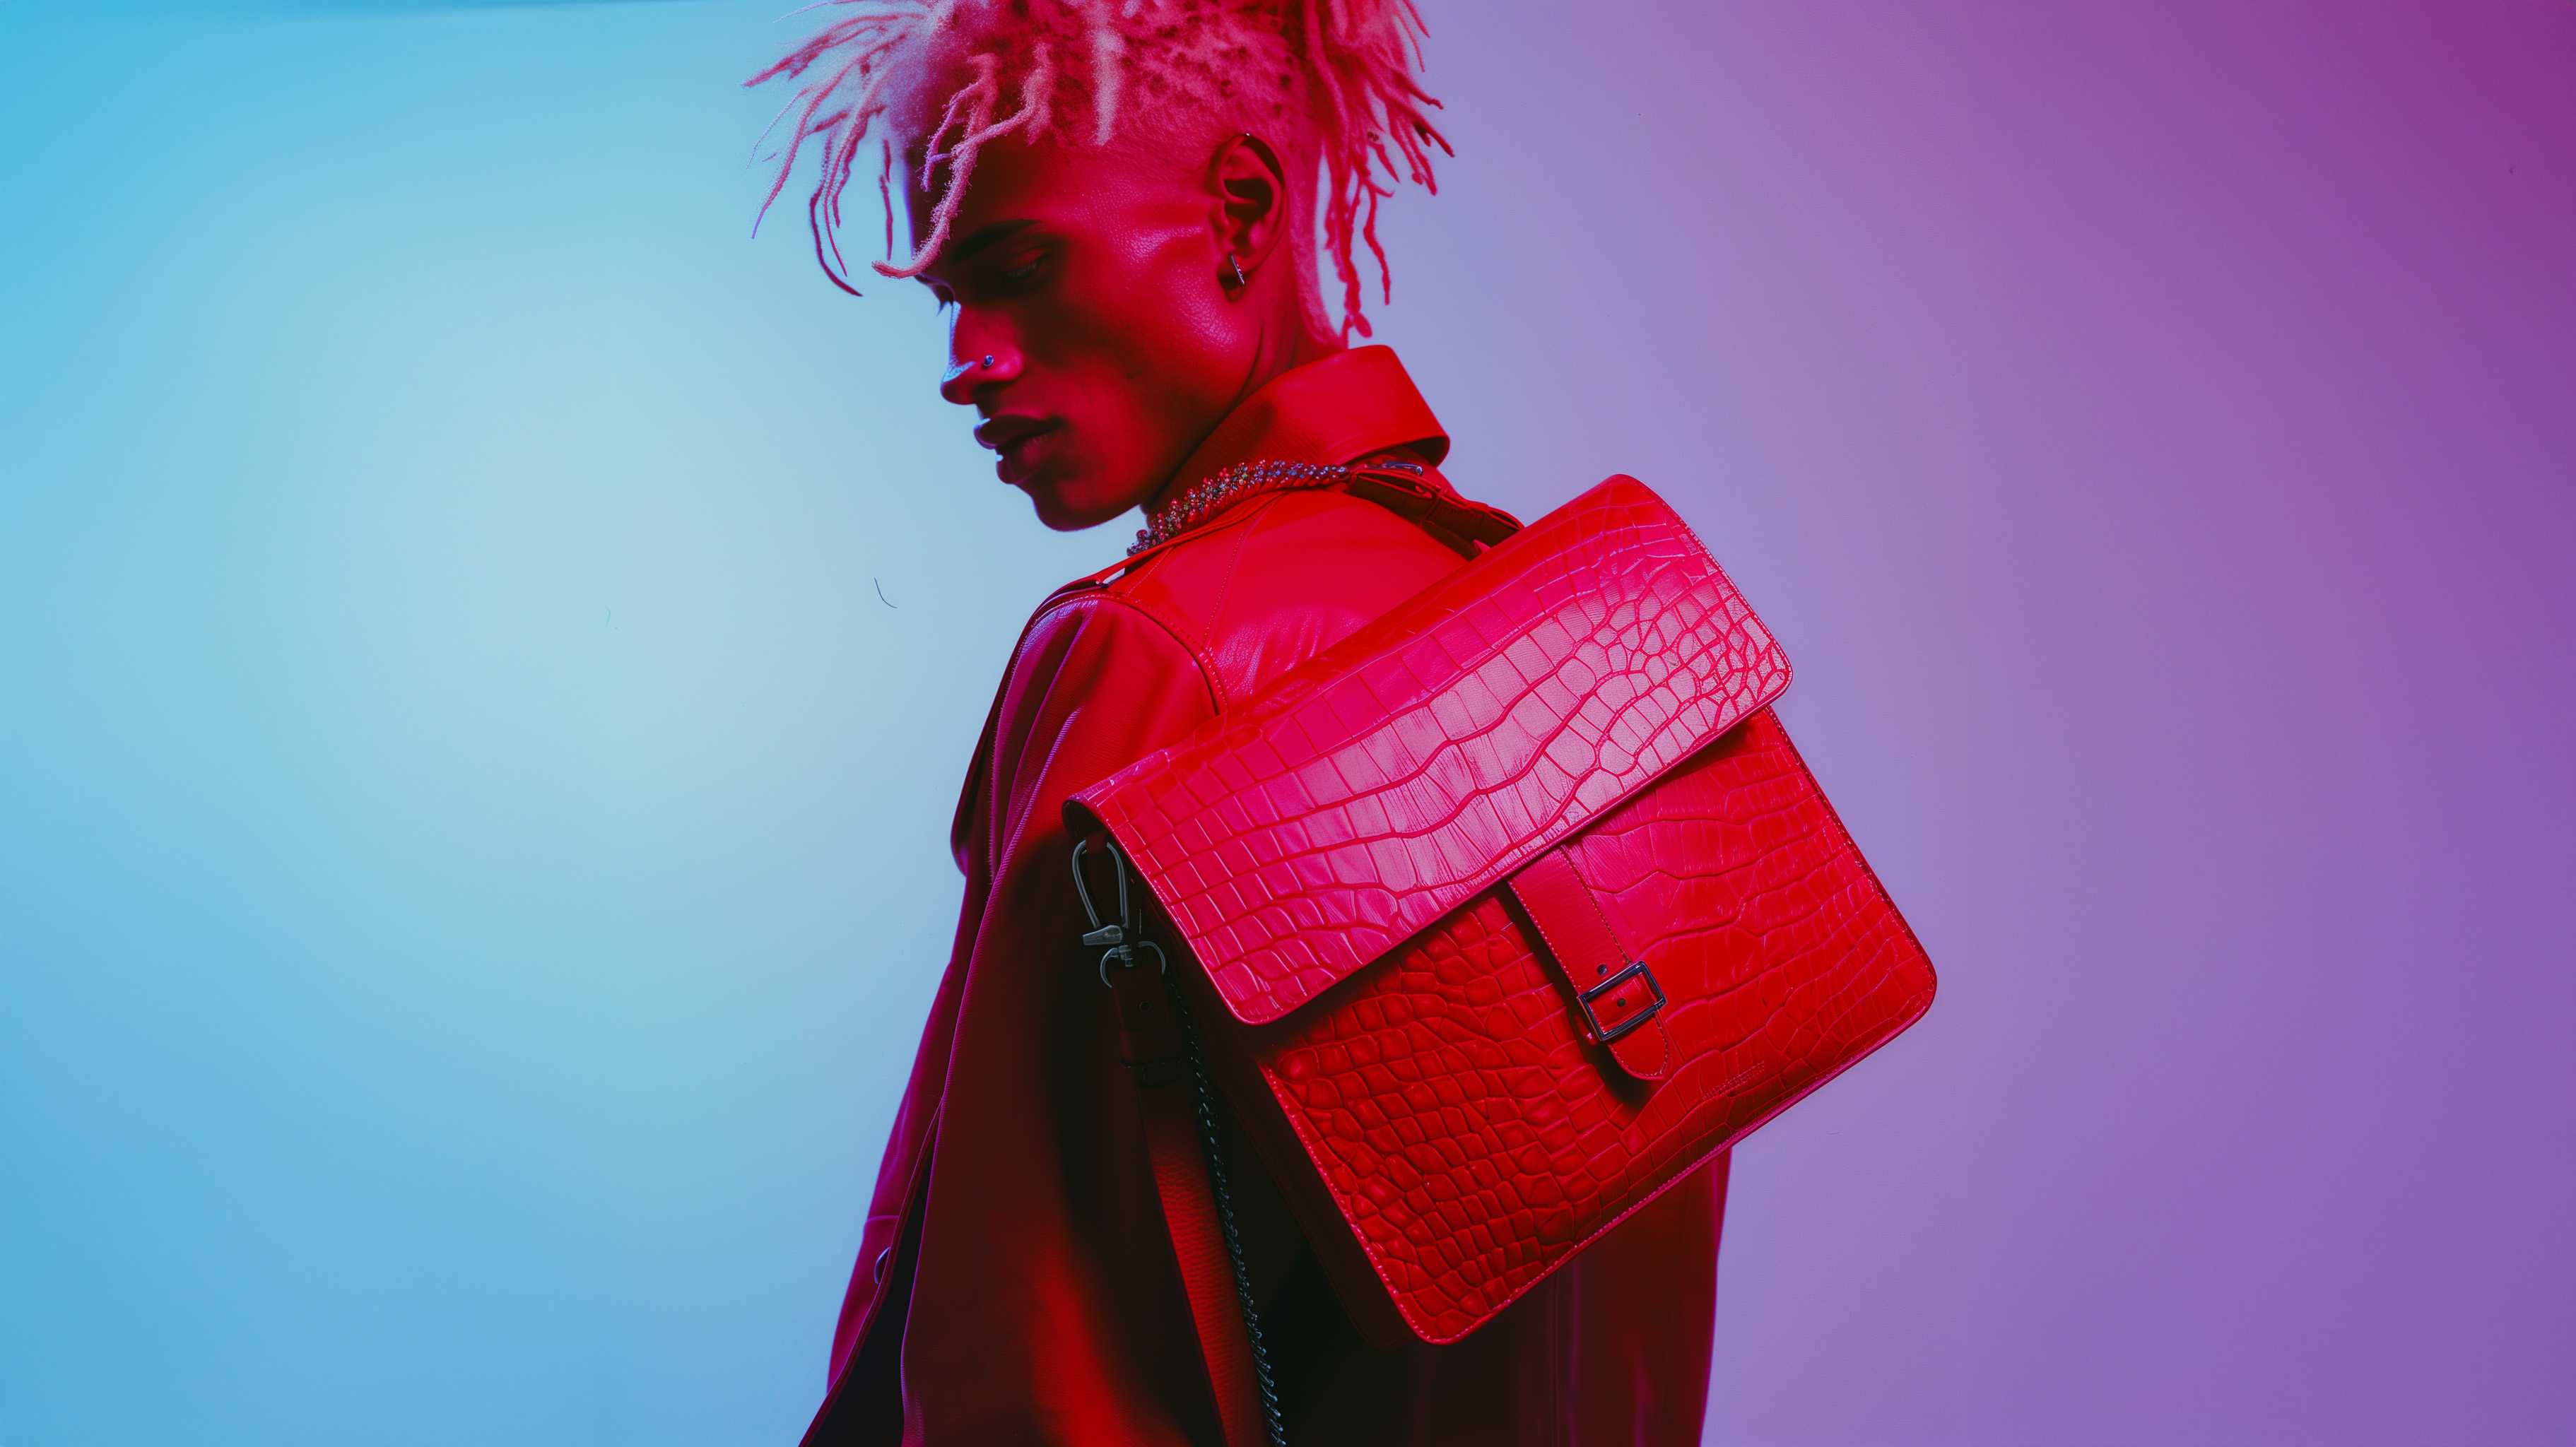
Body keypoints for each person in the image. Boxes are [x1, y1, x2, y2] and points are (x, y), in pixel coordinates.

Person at [748, 4, 1729, 1441]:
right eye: (945, 297)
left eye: (1017, 269)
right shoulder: (1541, 626)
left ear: (1239, 211)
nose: (965, 355)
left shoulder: (1156, 654)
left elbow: (1036, 1350)